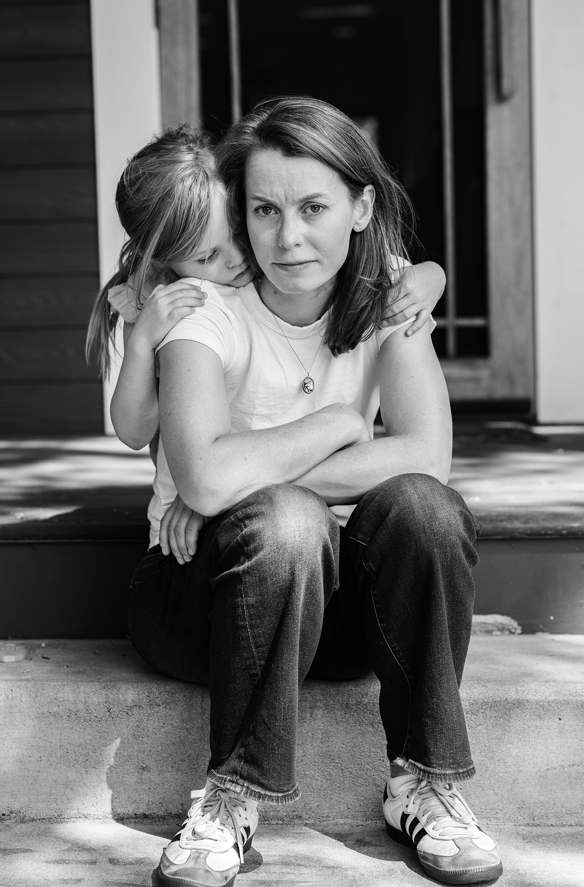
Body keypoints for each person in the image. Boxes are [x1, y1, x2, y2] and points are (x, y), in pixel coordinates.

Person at [109, 97, 502, 887]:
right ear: (239, 214)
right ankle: (232, 795)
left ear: (360, 208)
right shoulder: (204, 309)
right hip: (208, 605)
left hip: (337, 611)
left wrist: (229, 476)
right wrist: (329, 428)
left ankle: (423, 780)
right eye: (263, 210)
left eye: (314, 207)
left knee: (422, 506)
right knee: (284, 520)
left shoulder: (393, 298)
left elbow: (425, 455)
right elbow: (203, 476)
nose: (286, 238)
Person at [85, 125, 445, 456]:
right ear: (165, 263)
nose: (237, 258)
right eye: (208, 256)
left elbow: (395, 271)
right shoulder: (167, 303)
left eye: (239, 232)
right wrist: (141, 342)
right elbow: (134, 433)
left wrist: (432, 276)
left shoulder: (313, 271)